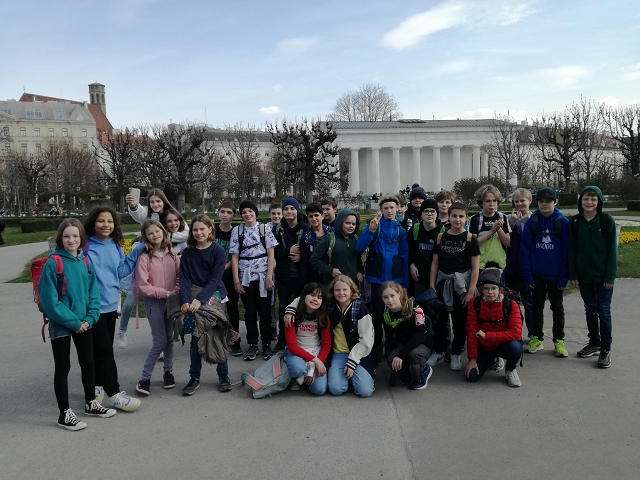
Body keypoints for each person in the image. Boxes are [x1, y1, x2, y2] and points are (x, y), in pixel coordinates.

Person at [38, 219, 116, 431]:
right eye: (66, 236)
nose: (71, 240)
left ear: (82, 238)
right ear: (60, 238)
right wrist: (74, 322)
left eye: (75, 236)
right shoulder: (53, 263)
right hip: (62, 323)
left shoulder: (85, 262)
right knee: (63, 367)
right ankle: (64, 413)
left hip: (83, 322)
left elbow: (94, 294)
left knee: (88, 363)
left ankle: (91, 403)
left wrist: (89, 319)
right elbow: (50, 301)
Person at [82, 206, 144, 412]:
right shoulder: (85, 246)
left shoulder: (115, 245)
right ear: (93, 223)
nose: (106, 225)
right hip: (92, 308)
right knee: (105, 352)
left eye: (109, 221)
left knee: (102, 349)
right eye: (101, 221)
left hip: (110, 306)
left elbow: (121, 270)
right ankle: (114, 394)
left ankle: (97, 387)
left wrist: (136, 251)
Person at [285, 275, 376, 397]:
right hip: (338, 354)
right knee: (335, 389)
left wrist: (352, 362)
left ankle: (359, 377)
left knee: (364, 391)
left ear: (352, 290)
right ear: (333, 292)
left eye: (345, 289)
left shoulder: (361, 309)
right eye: (337, 290)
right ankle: (346, 378)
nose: (341, 293)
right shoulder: (330, 306)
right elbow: (305, 298)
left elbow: (366, 340)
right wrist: (290, 309)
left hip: (359, 355)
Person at [180, 214, 230, 395]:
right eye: (195, 229)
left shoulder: (218, 251)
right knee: (196, 339)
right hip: (192, 297)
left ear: (210, 229)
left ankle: (223, 375)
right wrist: (184, 301)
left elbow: (215, 279)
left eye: (202, 229)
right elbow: (184, 278)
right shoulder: (188, 252)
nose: (199, 232)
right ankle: (194, 378)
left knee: (217, 336)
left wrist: (199, 300)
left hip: (213, 296)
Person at [569, 186, 618, 368]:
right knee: (590, 309)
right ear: (580, 201)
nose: (589, 202)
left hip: (603, 276)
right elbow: (571, 251)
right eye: (585, 199)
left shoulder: (606, 221)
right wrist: (573, 274)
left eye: (593, 199)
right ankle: (594, 342)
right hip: (584, 276)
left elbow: (612, 250)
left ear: (599, 202)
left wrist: (610, 276)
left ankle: (605, 348)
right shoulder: (575, 222)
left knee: (603, 311)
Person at [356, 195, 409, 362]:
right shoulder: (375, 226)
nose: (389, 210)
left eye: (392, 207)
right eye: (386, 208)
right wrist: (370, 230)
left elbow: (405, 257)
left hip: (395, 280)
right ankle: (377, 345)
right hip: (377, 279)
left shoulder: (401, 230)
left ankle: (391, 344)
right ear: (381, 210)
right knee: (378, 315)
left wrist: (405, 283)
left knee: (394, 314)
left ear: (397, 208)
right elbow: (359, 247)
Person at [429, 202, 480, 371]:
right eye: (454, 216)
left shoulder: (470, 238)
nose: (457, 219)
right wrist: (432, 285)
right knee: (440, 321)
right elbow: (435, 263)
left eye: (461, 216)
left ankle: (456, 353)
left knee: (460, 322)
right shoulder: (440, 237)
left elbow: (475, 268)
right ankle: (439, 350)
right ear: (448, 217)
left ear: (466, 218)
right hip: (443, 282)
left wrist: (470, 292)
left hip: (461, 286)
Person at [133, 220, 180, 396]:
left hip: (171, 300)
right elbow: (143, 286)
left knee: (169, 339)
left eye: (157, 231)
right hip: (154, 302)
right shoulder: (144, 257)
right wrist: (164, 293)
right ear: (145, 237)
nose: (155, 235)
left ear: (163, 232)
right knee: (159, 341)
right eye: (150, 233)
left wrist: (174, 292)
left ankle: (168, 372)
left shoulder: (171, 254)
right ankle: (145, 378)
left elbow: (179, 275)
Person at [521, 187, 569, 357]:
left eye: (548, 201)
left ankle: (559, 340)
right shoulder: (532, 222)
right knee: (536, 308)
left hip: (556, 276)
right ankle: (537, 338)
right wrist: (528, 275)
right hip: (537, 275)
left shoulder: (563, 222)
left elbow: (566, 252)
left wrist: (563, 277)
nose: (544, 204)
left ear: (555, 202)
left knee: (557, 308)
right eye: (541, 201)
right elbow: (524, 250)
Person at [230, 200, 277, 361]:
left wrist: (269, 276)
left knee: (265, 313)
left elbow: (271, 254)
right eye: (244, 212)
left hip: (263, 277)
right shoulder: (237, 231)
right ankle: (252, 344)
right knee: (250, 313)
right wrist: (236, 281)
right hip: (246, 278)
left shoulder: (265, 229)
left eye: (250, 211)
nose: (247, 214)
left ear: (255, 212)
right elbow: (234, 257)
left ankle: (266, 344)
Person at [465, 262, 523, 387]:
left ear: (500, 289)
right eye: (486, 288)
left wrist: (487, 336)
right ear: (481, 290)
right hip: (484, 347)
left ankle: (510, 369)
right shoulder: (474, 303)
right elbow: (471, 332)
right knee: (472, 376)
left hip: (502, 345)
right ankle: (491, 360)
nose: (490, 292)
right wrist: (472, 359)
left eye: (493, 288)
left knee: (516, 347)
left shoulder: (510, 304)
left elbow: (516, 333)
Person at [381, 281, 433, 390]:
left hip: (422, 343)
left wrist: (401, 355)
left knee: (413, 355)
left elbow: (420, 335)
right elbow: (390, 338)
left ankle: (424, 370)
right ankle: (406, 371)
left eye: (392, 296)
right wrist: (393, 358)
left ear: (399, 294)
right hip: (403, 343)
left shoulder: (415, 308)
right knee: (392, 360)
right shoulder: (386, 314)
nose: (389, 300)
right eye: (385, 297)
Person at [284, 282, 331, 395]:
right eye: (312, 295)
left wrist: (315, 368)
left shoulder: (323, 318)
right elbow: (292, 347)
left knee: (319, 390)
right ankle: (295, 376)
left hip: (315, 351)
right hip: (296, 352)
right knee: (297, 369)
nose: (315, 299)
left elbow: (326, 346)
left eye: (319, 297)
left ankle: (306, 376)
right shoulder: (292, 316)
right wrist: (317, 362)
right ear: (304, 295)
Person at [273, 197, 305, 352]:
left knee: (300, 308)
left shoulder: (306, 228)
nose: (289, 211)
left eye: (292, 208)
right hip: (283, 276)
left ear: (297, 210)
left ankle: (297, 339)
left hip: (301, 275)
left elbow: (312, 250)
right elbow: (271, 252)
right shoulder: (277, 229)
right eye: (286, 209)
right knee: (283, 308)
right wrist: (288, 252)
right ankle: (282, 339)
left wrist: (301, 256)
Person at [504, 188, 534, 340]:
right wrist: (511, 224)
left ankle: (533, 334)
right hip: (512, 267)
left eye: (523, 200)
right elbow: (505, 242)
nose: (520, 204)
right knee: (512, 304)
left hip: (529, 268)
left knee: (530, 304)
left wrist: (527, 224)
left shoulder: (535, 218)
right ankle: (515, 334)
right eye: (517, 201)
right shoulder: (509, 218)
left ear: (530, 201)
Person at [215, 201, 242, 356]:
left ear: (234, 215)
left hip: (229, 276)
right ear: (218, 213)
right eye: (222, 211)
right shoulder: (212, 230)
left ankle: (234, 339)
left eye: (229, 212)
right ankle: (216, 339)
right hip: (213, 277)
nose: (225, 215)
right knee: (214, 309)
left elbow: (235, 256)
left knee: (232, 309)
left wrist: (223, 268)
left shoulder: (236, 232)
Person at [310, 208, 363, 287]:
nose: (351, 226)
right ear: (340, 223)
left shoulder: (355, 239)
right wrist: (330, 270)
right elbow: (314, 259)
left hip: (352, 286)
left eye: (353, 224)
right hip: (333, 285)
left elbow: (358, 259)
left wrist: (360, 271)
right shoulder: (330, 239)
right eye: (347, 223)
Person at [469, 184, 511, 270]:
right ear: (481, 202)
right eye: (488, 201)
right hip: (480, 265)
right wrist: (491, 231)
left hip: (499, 264)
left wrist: (498, 229)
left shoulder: (503, 217)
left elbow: (507, 243)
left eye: (494, 201)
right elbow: (473, 244)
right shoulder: (475, 219)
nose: (492, 204)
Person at [408, 199, 440, 297]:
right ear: (421, 214)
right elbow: (409, 249)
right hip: (418, 277)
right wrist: (411, 265)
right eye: (426, 211)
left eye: (432, 211)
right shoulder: (415, 229)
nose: (429, 214)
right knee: (420, 304)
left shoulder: (442, 231)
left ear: (436, 214)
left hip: (437, 277)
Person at [299, 202, 331, 285]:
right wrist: (305, 282)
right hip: (313, 276)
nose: (314, 218)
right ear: (307, 218)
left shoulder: (332, 233)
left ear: (322, 216)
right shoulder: (306, 237)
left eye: (316, 215)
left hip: (330, 274)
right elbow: (304, 261)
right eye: (311, 216)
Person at [268, 202, 283, 340]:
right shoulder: (265, 229)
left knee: (283, 300)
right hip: (270, 270)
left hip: (283, 269)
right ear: (269, 215)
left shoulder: (284, 228)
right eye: (273, 213)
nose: (276, 216)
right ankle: (272, 326)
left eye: (279, 213)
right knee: (270, 301)